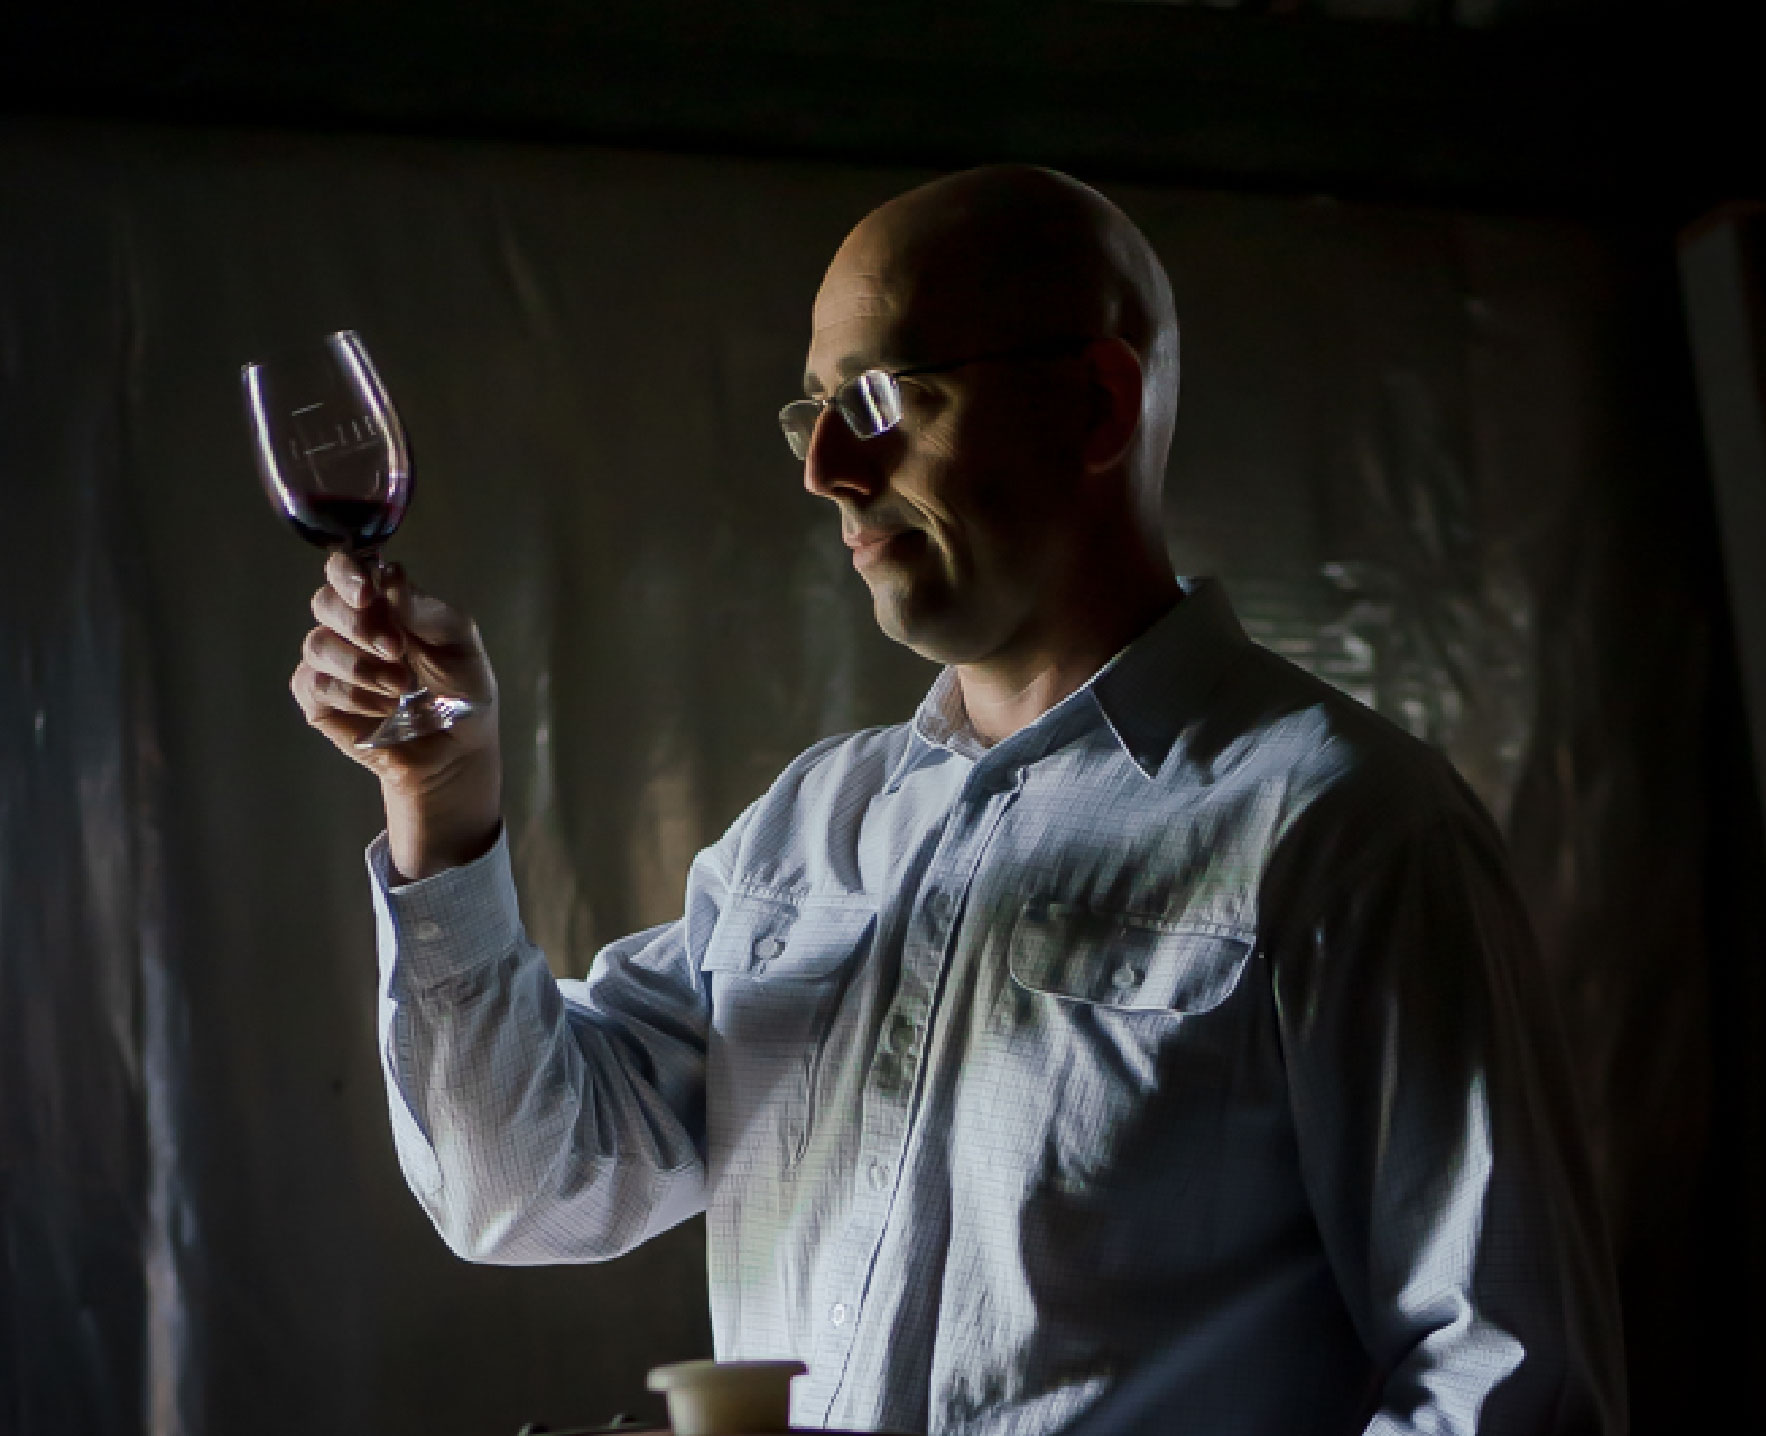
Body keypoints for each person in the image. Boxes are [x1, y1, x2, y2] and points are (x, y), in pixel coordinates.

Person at [289, 165, 1623, 1436]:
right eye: (813, 413)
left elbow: (1501, 1386)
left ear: (1097, 408)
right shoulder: (811, 831)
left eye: (881, 399)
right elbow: (520, 1184)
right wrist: (442, 804)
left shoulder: (1342, 828)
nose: (825, 473)